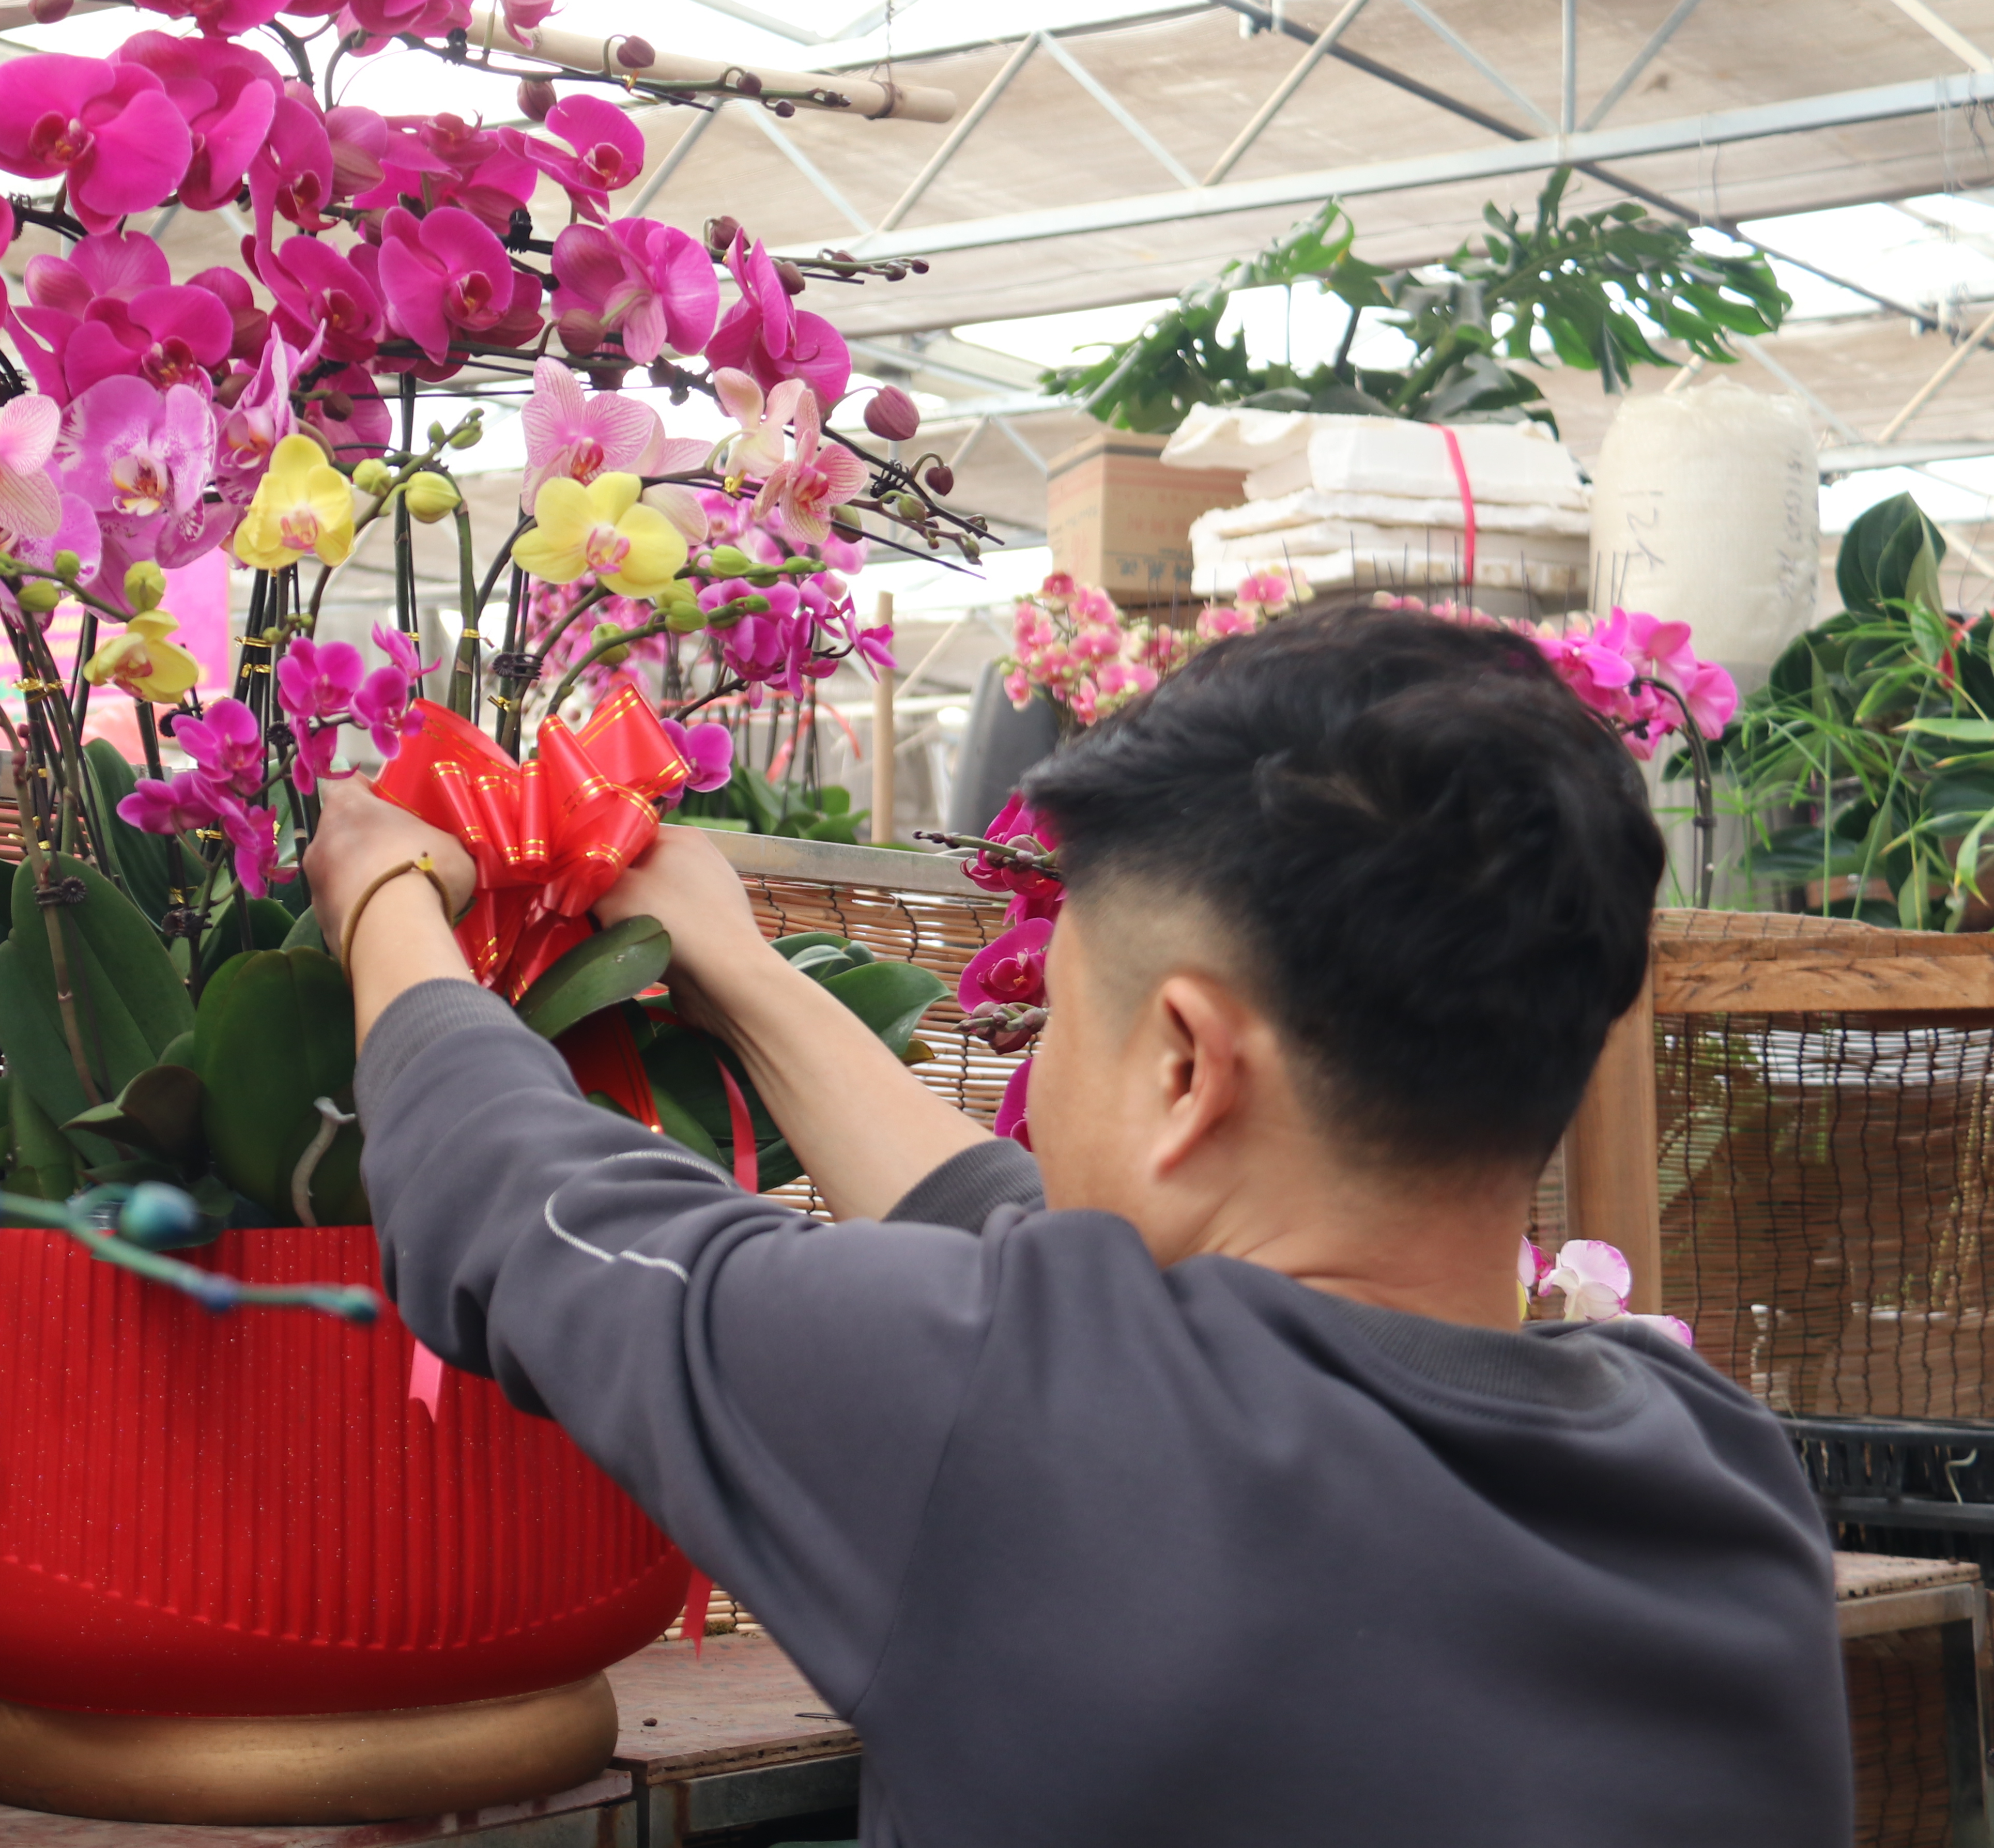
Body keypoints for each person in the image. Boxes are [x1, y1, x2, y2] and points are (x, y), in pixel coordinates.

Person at [302, 602, 1847, 1847]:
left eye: (1063, 1020)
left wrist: (383, 900)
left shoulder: (1014, 1423)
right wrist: (748, 976)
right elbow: (1031, 1254)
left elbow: (508, 1200)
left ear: (1184, 1064)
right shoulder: (1726, 1482)